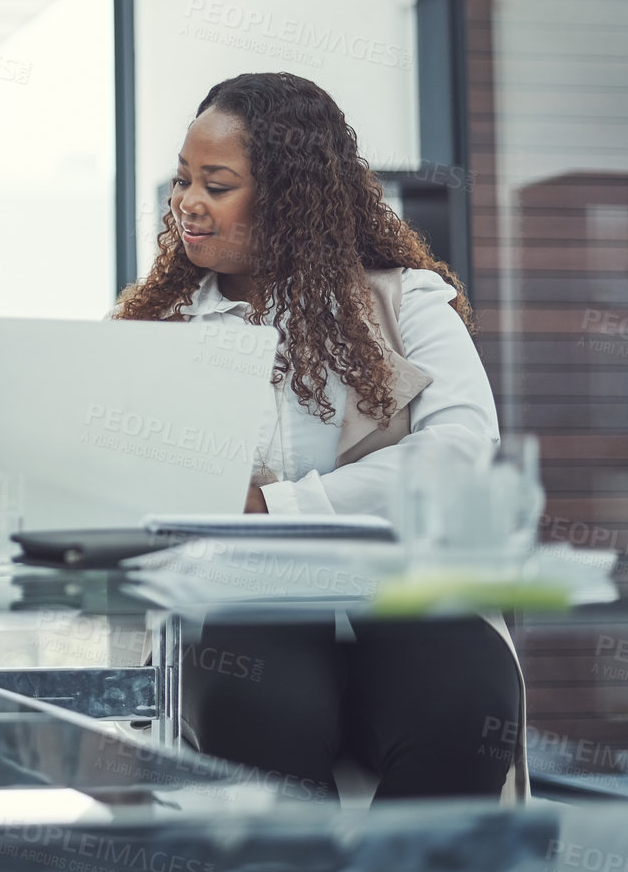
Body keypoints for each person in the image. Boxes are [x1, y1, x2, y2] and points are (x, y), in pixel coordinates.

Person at [114, 71, 522, 802]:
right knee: (261, 706)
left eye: (217, 183)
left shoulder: (405, 302)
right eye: (183, 181)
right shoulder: (159, 331)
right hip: (243, 598)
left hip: (405, 590)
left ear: (291, 193)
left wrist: (274, 508)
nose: (188, 204)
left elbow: (461, 452)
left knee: (465, 706)